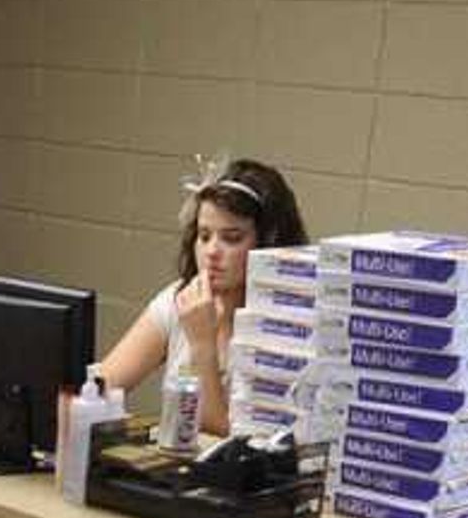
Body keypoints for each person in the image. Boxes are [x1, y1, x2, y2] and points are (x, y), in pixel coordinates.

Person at [93, 157, 310, 442]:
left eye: (231, 238)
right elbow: (100, 389)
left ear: (268, 244)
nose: (211, 252)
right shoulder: (179, 300)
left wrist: (202, 345)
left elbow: (215, 436)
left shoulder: (288, 325)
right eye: (204, 235)